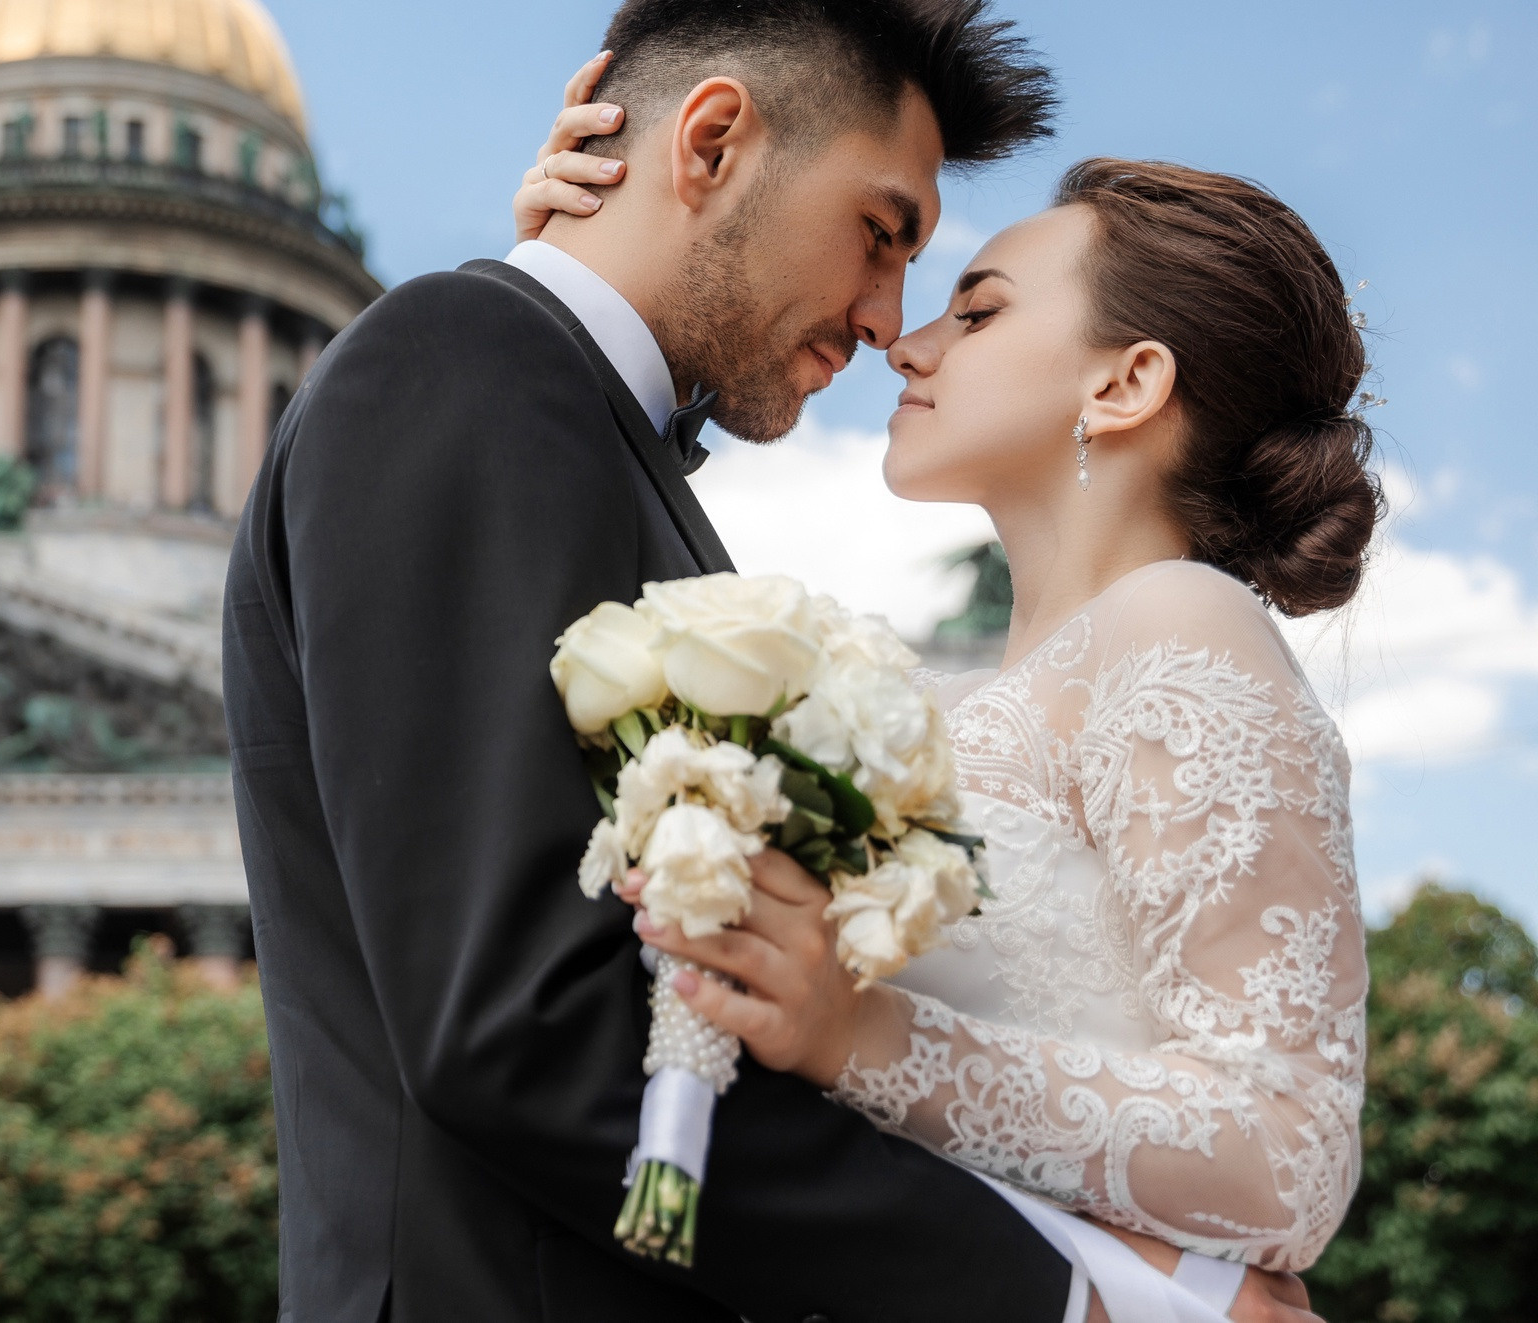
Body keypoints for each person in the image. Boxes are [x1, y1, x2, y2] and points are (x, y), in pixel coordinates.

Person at [224, 0, 1329, 1323]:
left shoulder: (527, 400)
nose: (889, 323)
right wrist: (1083, 1300)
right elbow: (525, 1028)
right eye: (882, 233)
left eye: (959, 295)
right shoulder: (470, 366)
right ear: (713, 142)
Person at [514, 71, 1375, 1312]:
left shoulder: (1183, 626)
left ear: (1123, 385)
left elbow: (1289, 1155)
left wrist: (859, 1037)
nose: (906, 342)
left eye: (977, 311)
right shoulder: (923, 697)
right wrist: (589, 279)